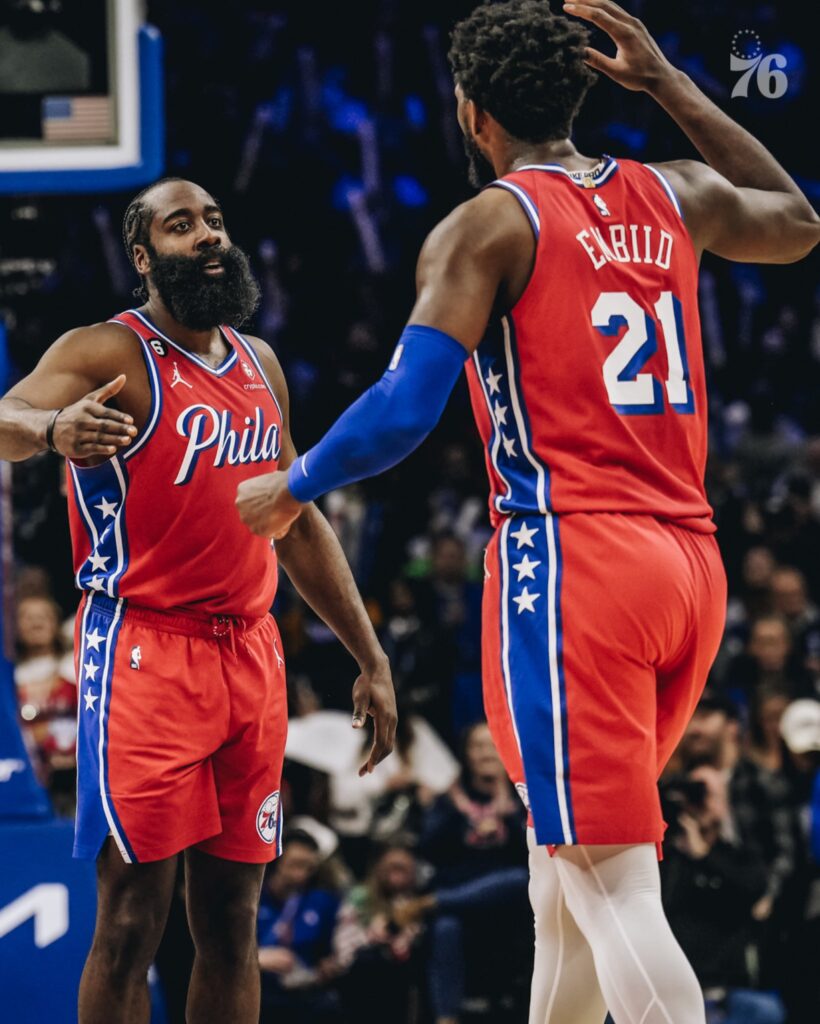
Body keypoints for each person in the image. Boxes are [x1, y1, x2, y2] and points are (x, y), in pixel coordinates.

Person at [235, 2, 819, 1022]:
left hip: (576, 565)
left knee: (612, 882)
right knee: (562, 883)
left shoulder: (491, 222)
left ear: (472, 114)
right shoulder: (674, 193)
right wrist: (671, 83)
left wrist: (292, 485)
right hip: (688, 565)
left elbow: (403, 408)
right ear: (589, 89)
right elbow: (799, 221)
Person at [0, 177, 396, 1024]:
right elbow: (4, 415)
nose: (209, 236)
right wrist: (50, 430)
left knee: (231, 921)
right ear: (144, 258)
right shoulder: (110, 350)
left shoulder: (261, 364)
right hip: (144, 650)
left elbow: (294, 521)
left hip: (251, 654)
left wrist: (370, 654)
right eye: (182, 227)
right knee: (132, 919)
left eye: (214, 220)